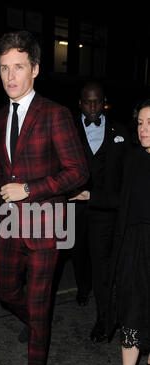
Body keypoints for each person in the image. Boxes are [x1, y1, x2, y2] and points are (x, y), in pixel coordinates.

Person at [0, 30, 89, 365]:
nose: (10, 77)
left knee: (40, 305)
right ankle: (35, 322)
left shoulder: (55, 114)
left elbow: (78, 173)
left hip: (46, 226)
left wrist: (29, 188)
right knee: (9, 294)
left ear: (35, 70)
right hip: (10, 225)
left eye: (19, 68)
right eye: (4, 68)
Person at [69, 80, 129, 343]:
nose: (93, 107)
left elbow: (127, 176)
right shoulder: (68, 130)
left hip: (105, 211)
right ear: (79, 104)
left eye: (97, 101)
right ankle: (83, 288)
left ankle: (105, 319)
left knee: (102, 268)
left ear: (104, 101)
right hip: (74, 209)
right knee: (78, 255)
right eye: (87, 102)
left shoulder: (122, 132)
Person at [107, 99, 150, 365]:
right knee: (132, 312)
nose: (144, 130)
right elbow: (117, 198)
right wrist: (86, 194)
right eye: (140, 123)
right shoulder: (133, 159)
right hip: (134, 245)